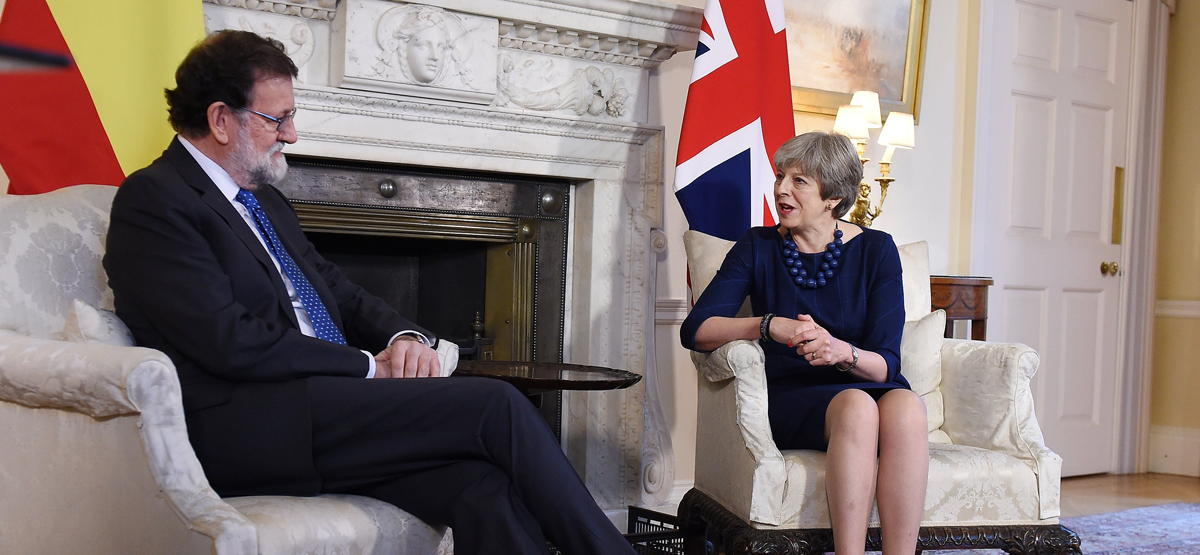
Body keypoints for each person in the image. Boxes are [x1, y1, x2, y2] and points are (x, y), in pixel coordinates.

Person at [103, 30, 635, 555]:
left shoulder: (265, 204)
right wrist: (368, 366)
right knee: (495, 404)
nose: (291, 134)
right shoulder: (155, 200)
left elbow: (340, 292)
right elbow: (228, 339)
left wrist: (405, 338)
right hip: (249, 427)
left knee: (479, 487)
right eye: (277, 118)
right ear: (220, 120)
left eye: (292, 116)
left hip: (324, 415)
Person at [680, 132, 929, 555]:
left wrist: (841, 351)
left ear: (832, 197)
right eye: (780, 176)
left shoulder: (877, 249)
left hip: (863, 380)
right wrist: (766, 325)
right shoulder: (757, 246)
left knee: (906, 406)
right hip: (792, 395)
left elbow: (887, 364)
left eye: (799, 181)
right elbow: (697, 330)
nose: (780, 188)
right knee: (857, 407)